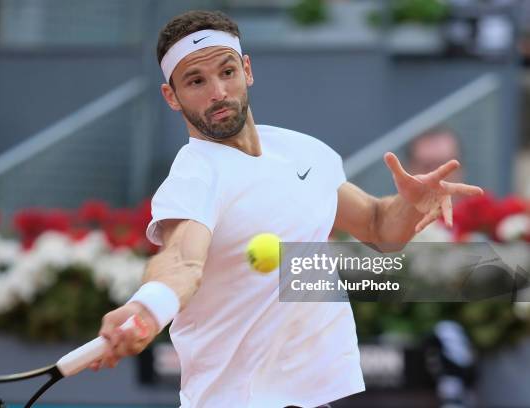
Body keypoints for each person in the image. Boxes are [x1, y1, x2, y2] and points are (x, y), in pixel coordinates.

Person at [89, 10, 484, 408]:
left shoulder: (304, 152)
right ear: (171, 96)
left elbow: (380, 227)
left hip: (316, 397)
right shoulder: (194, 177)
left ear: (247, 70)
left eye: (227, 72)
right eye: (196, 80)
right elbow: (180, 261)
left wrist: (410, 205)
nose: (218, 92)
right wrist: (147, 308)